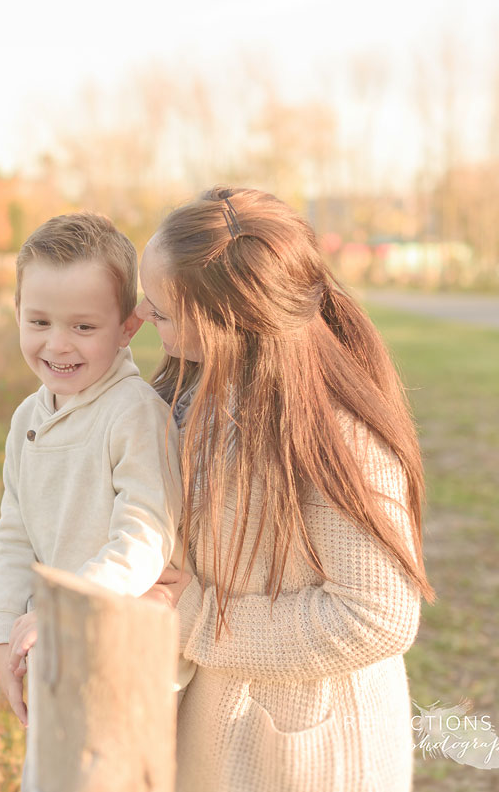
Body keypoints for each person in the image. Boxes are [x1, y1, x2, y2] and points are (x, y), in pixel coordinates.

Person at [137, 187, 436, 792]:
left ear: (224, 323)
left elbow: (377, 616)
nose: (144, 316)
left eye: (161, 310)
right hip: (214, 740)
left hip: (309, 760)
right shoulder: (190, 398)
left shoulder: (336, 441)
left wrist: (192, 617)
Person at [0, 212, 183, 736]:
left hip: (119, 659)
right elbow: (13, 533)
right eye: (40, 322)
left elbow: (144, 536)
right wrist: (2, 635)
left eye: (84, 326)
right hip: (51, 650)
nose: (58, 345)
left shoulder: (133, 413)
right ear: (18, 313)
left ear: (127, 328)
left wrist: (65, 606)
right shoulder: (28, 417)